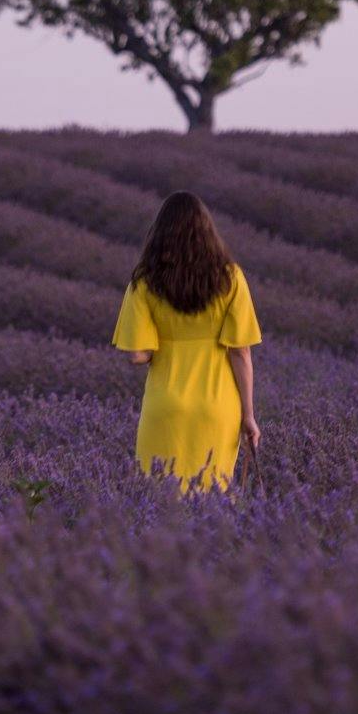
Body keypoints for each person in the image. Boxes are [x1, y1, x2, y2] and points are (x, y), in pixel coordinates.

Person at [110, 190, 262, 495]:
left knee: (156, 500)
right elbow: (241, 351)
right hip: (217, 406)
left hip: (165, 406)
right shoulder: (230, 277)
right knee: (214, 500)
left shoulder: (144, 281)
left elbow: (138, 355)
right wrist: (248, 416)